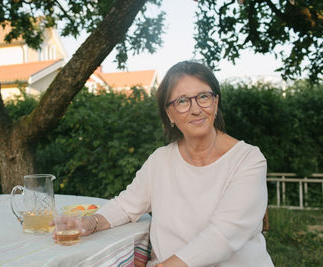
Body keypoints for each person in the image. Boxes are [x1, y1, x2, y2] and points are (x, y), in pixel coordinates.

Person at [53, 61, 274, 266]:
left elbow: (223, 235)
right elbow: (126, 206)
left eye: (203, 97)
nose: (196, 109)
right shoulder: (160, 160)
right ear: (169, 114)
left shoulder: (248, 160)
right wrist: (90, 223)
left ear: (215, 102)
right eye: (182, 101)